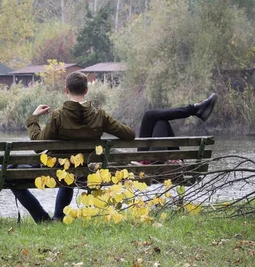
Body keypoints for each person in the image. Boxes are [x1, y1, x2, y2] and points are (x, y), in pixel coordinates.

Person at [13, 71, 217, 223]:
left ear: (66, 90)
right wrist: (104, 123)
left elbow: (38, 145)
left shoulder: (58, 116)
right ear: (86, 90)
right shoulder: (99, 115)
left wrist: (34, 117)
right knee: (152, 117)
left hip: (65, 171)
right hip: (92, 171)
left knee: (22, 178)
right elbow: (129, 135)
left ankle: (45, 219)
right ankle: (194, 111)